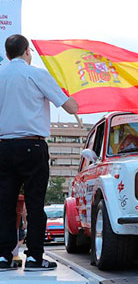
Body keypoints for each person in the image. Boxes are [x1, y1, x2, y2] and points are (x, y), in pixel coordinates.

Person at [0, 34, 78, 271]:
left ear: (7, 53)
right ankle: (34, 257)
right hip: (32, 147)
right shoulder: (36, 74)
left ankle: (3, 257)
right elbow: (70, 106)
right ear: (27, 52)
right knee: (35, 204)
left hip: (3, 147)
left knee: (4, 205)